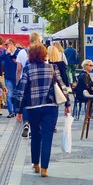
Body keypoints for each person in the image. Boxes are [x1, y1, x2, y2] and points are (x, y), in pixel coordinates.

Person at [14, 44, 71, 177]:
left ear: (30, 55)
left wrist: (19, 110)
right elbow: (62, 85)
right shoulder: (52, 67)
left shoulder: (28, 69)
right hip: (50, 106)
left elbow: (21, 89)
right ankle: (44, 168)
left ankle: (35, 164)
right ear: (45, 55)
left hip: (33, 107)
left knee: (35, 135)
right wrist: (67, 103)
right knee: (47, 136)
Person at [17, 32, 42, 137]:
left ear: (29, 39)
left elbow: (19, 69)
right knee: (37, 105)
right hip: (40, 82)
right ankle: (34, 128)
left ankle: (26, 123)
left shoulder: (22, 52)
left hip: (26, 81)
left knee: (26, 103)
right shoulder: (42, 51)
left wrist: (18, 82)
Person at [0, 38, 20, 119]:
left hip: (17, 77)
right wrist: (5, 54)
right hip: (8, 77)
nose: (5, 46)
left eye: (6, 44)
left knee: (17, 94)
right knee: (9, 94)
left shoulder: (19, 52)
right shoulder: (5, 52)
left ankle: (17, 110)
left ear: (11, 44)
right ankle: (11, 112)